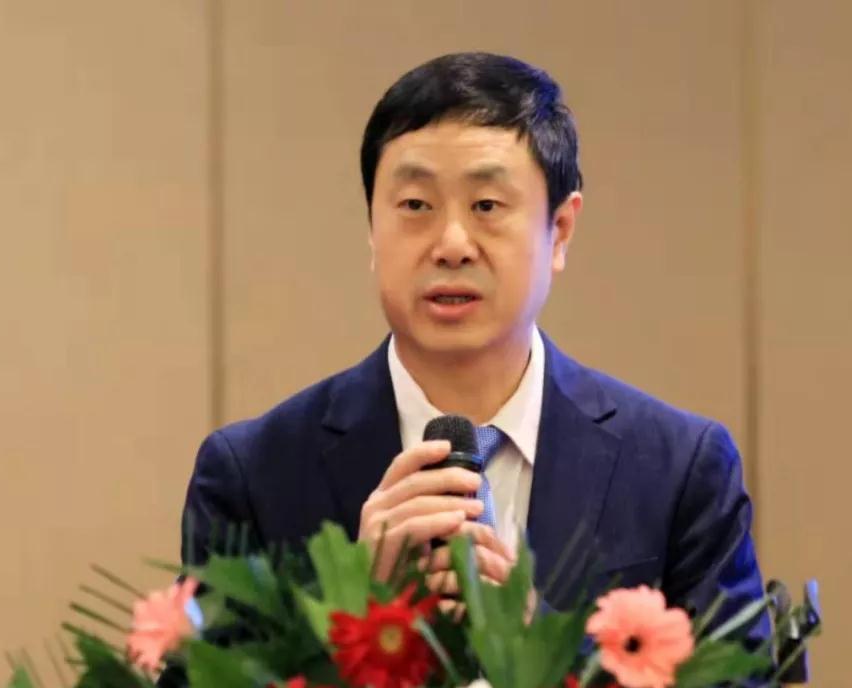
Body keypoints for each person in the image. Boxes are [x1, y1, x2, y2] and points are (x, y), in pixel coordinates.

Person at [181, 52, 770, 650]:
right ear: (371, 228)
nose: (452, 244)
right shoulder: (255, 475)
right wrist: (351, 616)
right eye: (416, 206)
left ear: (560, 231)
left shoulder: (678, 469)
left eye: (487, 206)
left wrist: (543, 646)